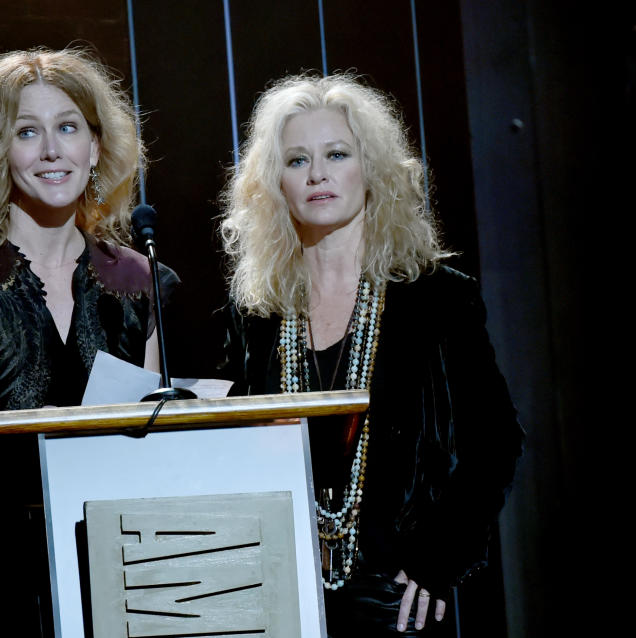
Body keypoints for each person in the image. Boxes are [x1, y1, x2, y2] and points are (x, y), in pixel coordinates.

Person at [218, 74, 524, 636]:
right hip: (282, 588)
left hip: (396, 594)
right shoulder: (259, 313)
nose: (317, 174)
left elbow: (496, 441)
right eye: (296, 161)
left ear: (372, 170)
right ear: (274, 185)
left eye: (337, 154)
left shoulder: (435, 296)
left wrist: (439, 557)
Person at [0, 48, 176, 637]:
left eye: (68, 127)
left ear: (95, 148)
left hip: (109, 546)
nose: (52, 150)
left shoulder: (137, 278)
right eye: (28, 131)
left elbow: (148, 419)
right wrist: (49, 450)